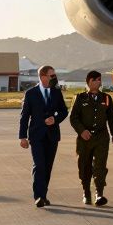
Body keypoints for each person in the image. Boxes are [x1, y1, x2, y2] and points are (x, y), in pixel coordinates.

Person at [18, 65, 68, 208]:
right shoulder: (31, 93)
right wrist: (22, 137)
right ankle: (38, 196)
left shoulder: (56, 92)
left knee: (47, 167)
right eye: (52, 75)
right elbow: (24, 116)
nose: (54, 78)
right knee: (39, 165)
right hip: (36, 136)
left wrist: (55, 119)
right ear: (43, 76)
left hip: (52, 136)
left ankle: (43, 195)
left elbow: (64, 111)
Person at [69, 70, 113, 206]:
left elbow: (111, 117)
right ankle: (86, 192)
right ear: (89, 81)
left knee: (100, 167)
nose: (99, 82)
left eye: (100, 80)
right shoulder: (79, 98)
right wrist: (82, 131)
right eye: (96, 80)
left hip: (101, 137)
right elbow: (73, 118)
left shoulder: (106, 98)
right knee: (84, 166)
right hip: (85, 139)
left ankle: (99, 194)